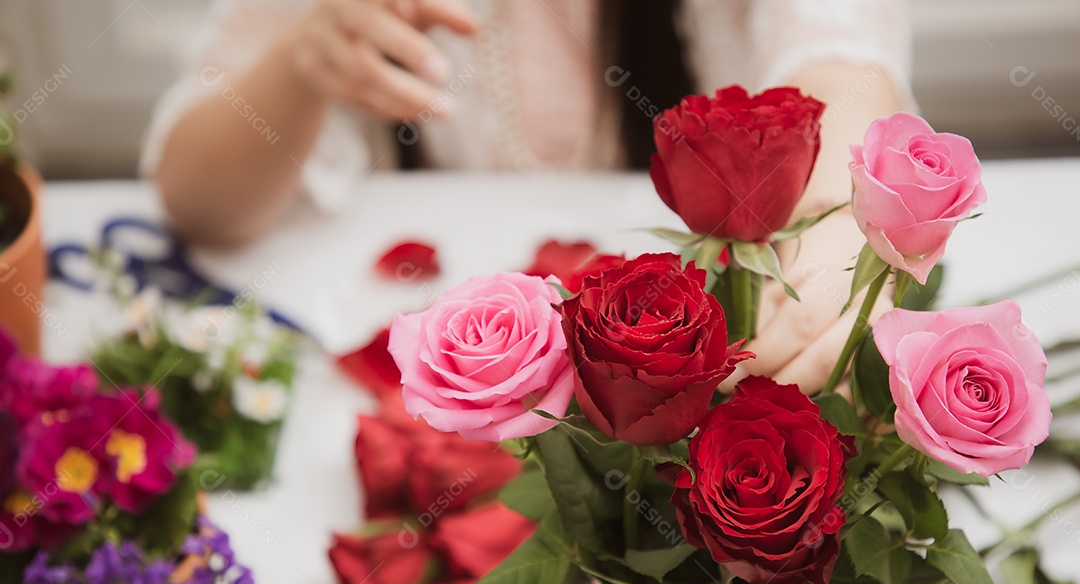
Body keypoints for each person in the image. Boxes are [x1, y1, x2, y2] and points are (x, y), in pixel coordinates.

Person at [144, 0, 913, 392]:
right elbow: (200, 200)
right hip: (456, 362)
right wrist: (300, 67)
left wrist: (842, 213)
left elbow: (842, 58)